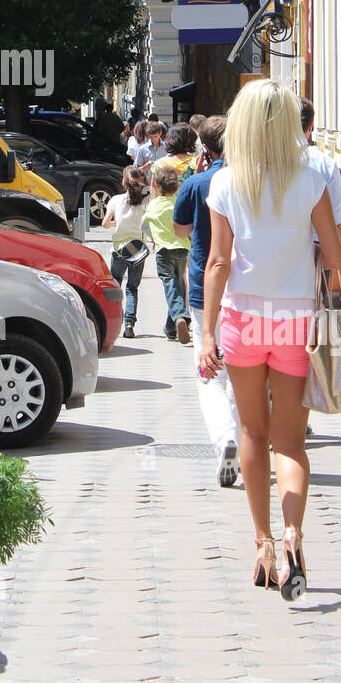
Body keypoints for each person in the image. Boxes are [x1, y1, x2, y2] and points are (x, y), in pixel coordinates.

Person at [200, 81, 341, 602]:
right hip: (295, 321)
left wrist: (207, 333)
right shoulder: (312, 179)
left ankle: (262, 545)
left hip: (243, 319)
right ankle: (293, 535)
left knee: (252, 436)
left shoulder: (226, 182)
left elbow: (218, 261)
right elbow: (332, 254)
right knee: (292, 441)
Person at [172, 115, 241, 487]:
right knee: (238, 376)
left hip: (203, 289)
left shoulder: (196, 183)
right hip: (245, 288)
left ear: (205, 149)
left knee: (210, 376)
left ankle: (224, 439)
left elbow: (180, 228)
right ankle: (241, 444)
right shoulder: (249, 181)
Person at [298, 97, 341, 298]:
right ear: (311, 125)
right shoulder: (325, 164)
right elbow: (339, 223)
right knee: (316, 317)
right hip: (318, 258)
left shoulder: (269, 160)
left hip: (279, 259)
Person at [142, 163, 192, 344]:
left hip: (163, 251)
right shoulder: (179, 202)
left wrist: (153, 237)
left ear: (157, 186)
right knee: (179, 284)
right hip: (182, 249)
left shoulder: (154, 205)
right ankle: (171, 328)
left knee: (170, 285)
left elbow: (144, 225)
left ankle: (180, 316)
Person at [102, 166, 150, 338]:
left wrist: (118, 224)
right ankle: (129, 324)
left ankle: (113, 320)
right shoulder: (146, 200)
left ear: (123, 182)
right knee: (132, 287)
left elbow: (105, 223)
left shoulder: (116, 200)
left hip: (118, 249)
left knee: (115, 283)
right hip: (137, 249)